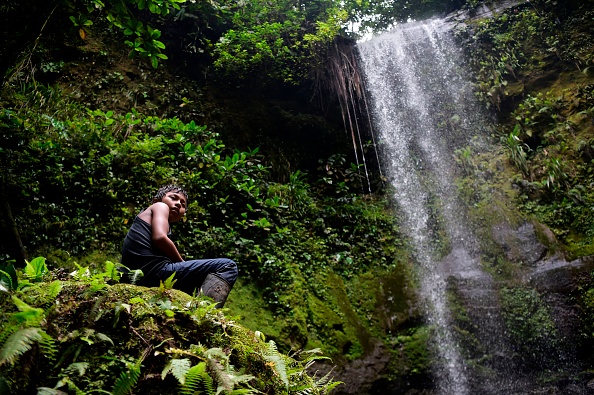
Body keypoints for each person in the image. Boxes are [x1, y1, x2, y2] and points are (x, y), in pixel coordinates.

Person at [120, 184, 238, 307]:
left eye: (183, 204)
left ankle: (196, 309)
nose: (178, 204)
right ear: (156, 200)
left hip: (140, 275)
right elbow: (160, 238)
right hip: (153, 273)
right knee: (228, 266)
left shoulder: (157, 219)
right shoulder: (160, 206)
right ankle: (206, 314)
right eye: (173, 198)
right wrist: (182, 263)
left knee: (199, 283)